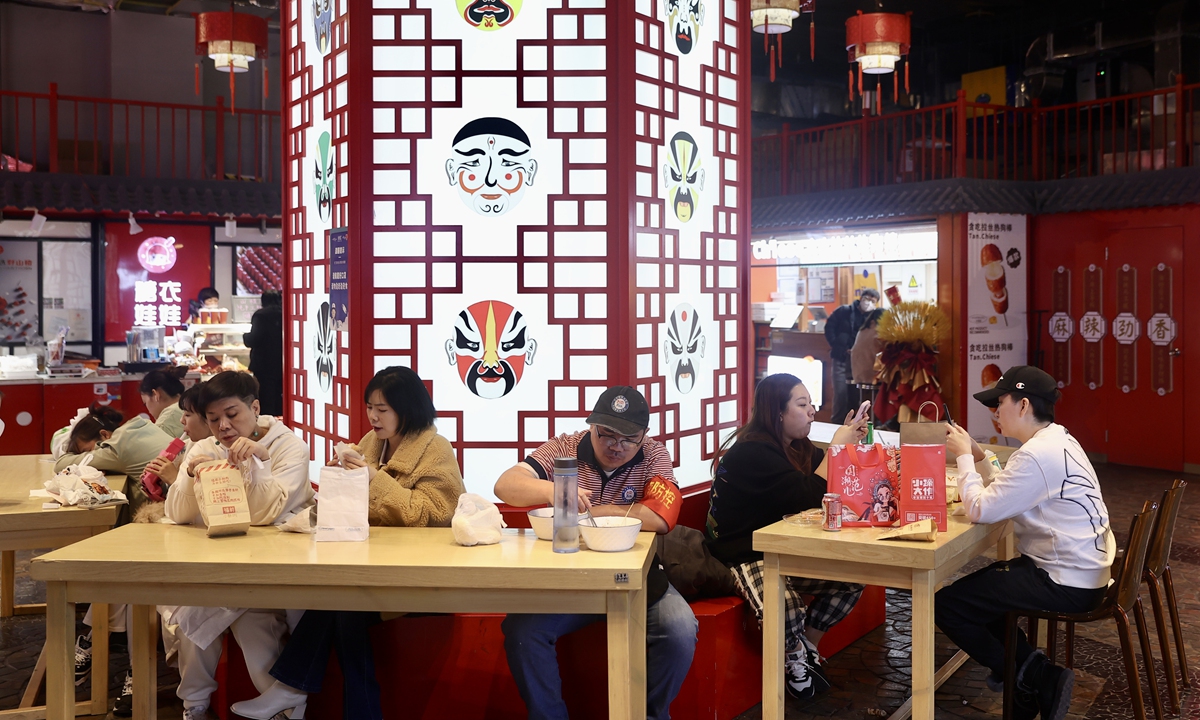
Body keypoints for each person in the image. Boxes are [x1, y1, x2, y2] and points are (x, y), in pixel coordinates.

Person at [230, 366, 466, 720]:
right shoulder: (372, 444)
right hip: (373, 568)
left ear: (408, 408)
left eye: (383, 409)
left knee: (341, 604)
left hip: (419, 575)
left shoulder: (435, 449)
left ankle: (290, 689)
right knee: (342, 605)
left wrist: (372, 479)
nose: (373, 415)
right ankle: (306, 695)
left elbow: (432, 513)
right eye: (370, 406)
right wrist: (341, 478)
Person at [493, 386, 697, 720]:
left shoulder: (655, 454)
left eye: (628, 439)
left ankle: (646, 715)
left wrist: (599, 511)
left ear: (644, 435)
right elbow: (505, 486)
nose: (617, 446)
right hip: (570, 580)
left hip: (639, 580)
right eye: (607, 435)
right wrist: (556, 488)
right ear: (591, 426)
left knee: (679, 629)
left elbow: (662, 517)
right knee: (522, 632)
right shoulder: (565, 447)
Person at [938, 366, 1116, 720]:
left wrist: (961, 458)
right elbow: (1009, 489)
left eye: (999, 403)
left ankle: (1036, 676)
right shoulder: (1057, 439)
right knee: (979, 596)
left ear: (1022, 406)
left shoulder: (1036, 455)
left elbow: (980, 508)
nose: (995, 412)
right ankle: (1027, 680)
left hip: (1066, 580)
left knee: (948, 606)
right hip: (1081, 571)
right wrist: (976, 455)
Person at [705, 373, 867, 700]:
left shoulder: (797, 447)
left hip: (781, 551)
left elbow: (834, 480)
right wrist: (837, 446)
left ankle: (805, 648)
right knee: (787, 606)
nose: (812, 412)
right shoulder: (751, 453)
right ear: (777, 413)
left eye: (812, 404)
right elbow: (810, 494)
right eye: (802, 404)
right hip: (743, 554)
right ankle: (796, 654)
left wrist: (850, 446)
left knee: (854, 577)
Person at [164, 371, 313, 720]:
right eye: (214, 419)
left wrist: (258, 463)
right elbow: (177, 514)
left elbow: (263, 515)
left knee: (211, 615)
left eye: (232, 414)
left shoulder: (289, 446)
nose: (224, 426)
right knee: (211, 610)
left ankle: (276, 709)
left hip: (278, 569)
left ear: (255, 407)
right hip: (222, 564)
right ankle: (200, 708)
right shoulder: (204, 448)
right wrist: (189, 478)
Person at [56, 403, 174, 716]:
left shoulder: (120, 443)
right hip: (164, 518)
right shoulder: (141, 428)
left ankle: (101, 653)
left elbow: (66, 465)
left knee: (126, 575)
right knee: (124, 572)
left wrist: (88, 452)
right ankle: (103, 654)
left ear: (104, 436)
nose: (184, 426)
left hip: (171, 526)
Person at [824, 287, 880, 423]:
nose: (868, 303)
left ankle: (854, 426)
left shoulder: (872, 318)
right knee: (840, 395)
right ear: (861, 298)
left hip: (859, 363)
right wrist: (836, 344)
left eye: (873, 301)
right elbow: (829, 327)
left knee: (855, 397)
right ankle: (836, 425)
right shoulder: (844, 311)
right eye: (867, 299)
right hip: (842, 358)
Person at [244, 290, 284, 416]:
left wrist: (245, 336)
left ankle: (266, 426)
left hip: (264, 365)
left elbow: (253, 339)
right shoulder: (286, 313)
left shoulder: (261, 315)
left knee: (266, 399)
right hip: (283, 364)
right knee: (279, 398)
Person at [139, 366, 189, 438]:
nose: (148, 411)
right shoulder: (191, 406)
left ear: (156, 394)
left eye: (145, 403)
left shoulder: (165, 423)